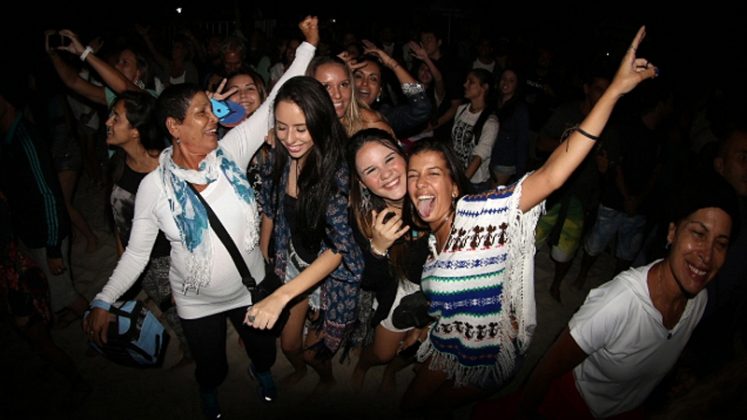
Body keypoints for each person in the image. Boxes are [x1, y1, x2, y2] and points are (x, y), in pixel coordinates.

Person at [399, 27, 658, 416]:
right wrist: (424, 327)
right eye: (413, 175)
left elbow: (553, 174)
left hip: (486, 355)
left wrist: (614, 92)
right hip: (446, 340)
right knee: (409, 406)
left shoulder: (483, 214)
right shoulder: (428, 237)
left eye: (433, 173)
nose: (420, 184)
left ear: (454, 187)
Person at [84, 17, 319, 419]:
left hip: (251, 288)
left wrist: (308, 47)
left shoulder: (230, 152)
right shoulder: (154, 188)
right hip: (197, 304)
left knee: (263, 350)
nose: (215, 119)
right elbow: (137, 255)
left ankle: (261, 371)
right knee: (211, 365)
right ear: (175, 126)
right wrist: (105, 299)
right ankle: (209, 388)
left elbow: (274, 98)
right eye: (201, 114)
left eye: (211, 111)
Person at [518, 177, 738, 419]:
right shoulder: (619, 302)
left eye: (721, 244)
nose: (707, 255)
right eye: (698, 233)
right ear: (673, 232)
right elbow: (546, 370)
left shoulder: (699, 301)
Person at [245, 76, 364, 395]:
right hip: (295, 263)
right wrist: (265, 253)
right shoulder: (282, 158)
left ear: (320, 121)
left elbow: (339, 249)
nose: (290, 138)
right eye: (281, 127)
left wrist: (282, 295)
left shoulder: (337, 172)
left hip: (333, 275)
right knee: (289, 344)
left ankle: (325, 379)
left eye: (301, 128)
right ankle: (299, 372)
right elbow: (272, 209)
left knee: (317, 352)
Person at [105, 90, 191, 364]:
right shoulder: (117, 164)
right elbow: (118, 219)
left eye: (116, 118)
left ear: (134, 131)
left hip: (169, 259)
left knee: (182, 310)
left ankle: (194, 352)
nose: (107, 122)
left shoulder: (165, 167)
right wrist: (122, 256)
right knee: (169, 311)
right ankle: (188, 347)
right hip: (140, 258)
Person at [346, 128, 430, 392]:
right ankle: (363, 365)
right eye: (370, 170)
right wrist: (378, 249)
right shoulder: (364, 219)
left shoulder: (435, 190)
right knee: (382, 353)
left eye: (390, 159)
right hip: (401, 290)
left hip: (442, 286)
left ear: (405, 155)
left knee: (418, 347)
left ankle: (393, 371)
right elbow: (369, 283)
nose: (386, 174)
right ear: (361, 182)